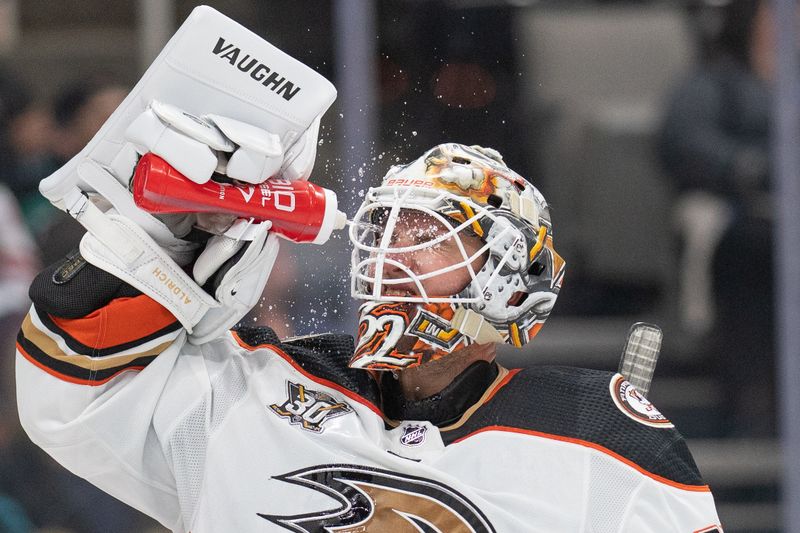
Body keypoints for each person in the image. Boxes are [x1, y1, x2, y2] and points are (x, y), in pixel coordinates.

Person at [16, 127, 722, 533]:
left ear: (510, 285)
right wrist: (152, 242)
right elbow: (72, 391)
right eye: (386, 228)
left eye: (431, 237)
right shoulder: (256, 386)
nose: (391, 256)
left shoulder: (603, 436)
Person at [659, 0, 774, 437]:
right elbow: (683, 142)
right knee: (749, 247)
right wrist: (753, 167)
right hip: (742, 217)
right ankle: (751, 400)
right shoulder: (713, 82)